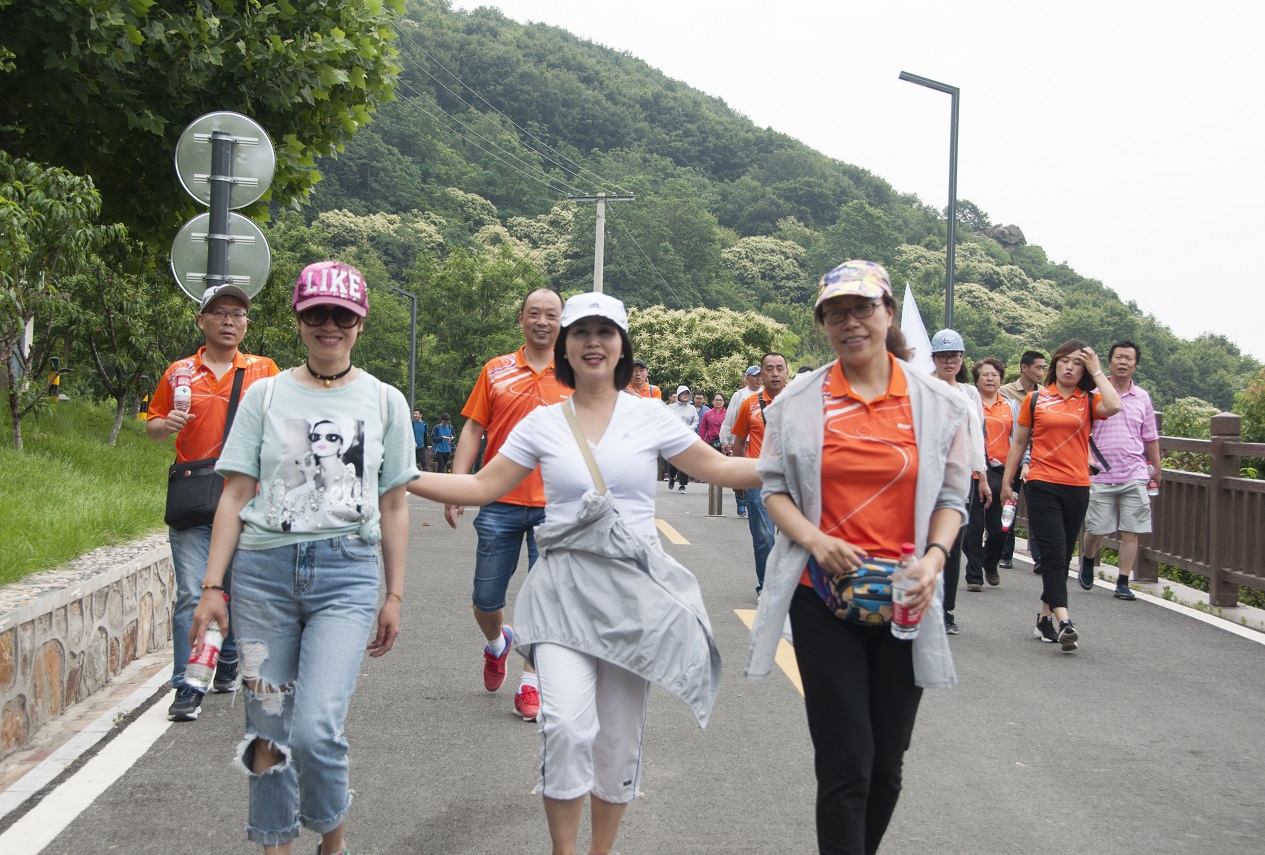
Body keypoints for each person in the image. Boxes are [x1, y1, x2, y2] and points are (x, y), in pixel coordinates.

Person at [408, 292, 760, 855]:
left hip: (631, 599)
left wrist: (799, 463)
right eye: (581, 333)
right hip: (563, 592)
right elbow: (481, 485)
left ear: (621, 346)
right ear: (566, 347)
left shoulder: (650, 415)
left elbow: (718, 466)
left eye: (605, 333)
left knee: (618, 740)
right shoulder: (544, 424)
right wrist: (400, 476)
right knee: (567, 729)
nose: (593, 343)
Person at [191, 260, 417, 854]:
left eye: (342, 315)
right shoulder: (264, 395)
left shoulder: (385, 401)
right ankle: (276, 844)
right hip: (263, 577)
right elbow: (235, 495)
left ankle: (332, 843)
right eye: (317, 313)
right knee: (267, 728)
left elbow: (394, 504)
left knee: (317, 728)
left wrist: (394, 594)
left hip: (347, 576)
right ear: (298, 319)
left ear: (361, 323)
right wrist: (211, 589)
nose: (329, 325)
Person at [743, 260, 967, 855]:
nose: (851, 322)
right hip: (822, 598)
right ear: (823, 324)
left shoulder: (937, 403)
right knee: (846, 761)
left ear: (887, 313)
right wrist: (816, 541)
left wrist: (934, 560)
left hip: (905, 600)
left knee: (886, 765)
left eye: (863, 308)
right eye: (836, 313)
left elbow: (952, 499)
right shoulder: (798, 400)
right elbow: (774, 489)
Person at [146, 283, 279, 723]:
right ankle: (187, 683)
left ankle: (227, 657)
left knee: (239, 591)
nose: (229, 321)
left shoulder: (263, 370)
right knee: (193, 590)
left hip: (247, 499)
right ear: (201, 320)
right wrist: (166, 424)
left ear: (246, 324)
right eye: (220, 313)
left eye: (237, 314)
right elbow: (153, 425)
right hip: (194, 496)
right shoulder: (179, 372)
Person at [444, 287, 569, 721]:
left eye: (551, 314)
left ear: (561, 322)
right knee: (485, 599)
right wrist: (458, 484)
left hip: (556, 506)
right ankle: (497, 644)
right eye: (534, 313)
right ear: (521, 319)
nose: (542, 321)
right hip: (498, 500)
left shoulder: (576, 373)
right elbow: (473, 429)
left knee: (546, 597)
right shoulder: (496, 370)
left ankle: (531, 682)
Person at [1001, 339, 1121, 652]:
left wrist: (1097, 371)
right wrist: (1007, 482)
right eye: (1065, 360)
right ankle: (1065, 621)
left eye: (1078, 363)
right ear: (1055, 364)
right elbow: (1018, 443)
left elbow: (1114, 405)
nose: (1070, 367)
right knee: (1054, 554)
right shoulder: (1036, 399)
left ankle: (1043, 618)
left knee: (1063, 555)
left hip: (1077, 486)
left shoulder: (1089, 400)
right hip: (1042, 484)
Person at [1079, 340, 1161, 600]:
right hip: (1100, 474)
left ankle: (1123, 581)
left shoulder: (1142, 397)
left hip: (1134, 472)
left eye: (1128, 358)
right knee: (1096, 529)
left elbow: (1150, 436)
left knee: (1131, 530)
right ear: (1109, 361)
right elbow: (1081, 431)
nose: (1123, 362)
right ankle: (1088, 559)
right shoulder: (1094, 393)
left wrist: (1157, 466)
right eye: (1119, 357)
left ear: (1135, 365)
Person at [928, 329, 989, 634]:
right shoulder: (923, 389)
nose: (949, 361)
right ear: (934, 359)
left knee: (951, 547)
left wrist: (983, 477)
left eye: (954, 356)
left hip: (959, 479)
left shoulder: (970, 394)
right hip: (926, 479)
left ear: (962, 358)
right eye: (942, 356)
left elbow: (977, 436)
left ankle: (946, 610)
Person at [731, 352, 790, 596]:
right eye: (769, 369)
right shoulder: (749, 404)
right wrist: (737, 478)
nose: (775, 373)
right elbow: (738, 442)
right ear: (760, 376)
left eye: (779, 368)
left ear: (787, 373)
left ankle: (790, 587)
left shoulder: (801, 402)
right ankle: (767, 588)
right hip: (759, 479)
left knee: (793, 539)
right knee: (764, 537)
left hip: (793, 481)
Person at [963, 357, 1019, 592]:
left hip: (1002, 475)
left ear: (1001, 379)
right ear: (976, 379)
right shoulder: (969, 404)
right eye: (984, 374)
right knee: (973, 528)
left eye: (994, 374)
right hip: (972, 473)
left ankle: (989, 561)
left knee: (1000, 529)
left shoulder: (1011, 406)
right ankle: (974, 576)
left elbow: (1019, 440)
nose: (989, 378)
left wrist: (1021, 467)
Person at [998, 350, 1047, 569]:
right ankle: (1005, 553)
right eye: (1038, 367)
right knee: (1009, 502)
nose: (1041, 372)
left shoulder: (1045, 394)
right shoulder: (1005, 392)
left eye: (1044, 368)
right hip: (1014, 453)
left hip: (1039, 455)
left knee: (1038, 506)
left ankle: (1040, 557)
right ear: (1024, 367)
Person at [721, 365, 763, 518]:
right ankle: (741, 502)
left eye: (761, 376)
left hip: (759, 441)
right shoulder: (739, 395)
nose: (759, 379)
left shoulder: (767, 394)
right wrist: (725, 440)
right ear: (747, 378)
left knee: (755, 474)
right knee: (742, 473)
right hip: (741, 440)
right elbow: (729, 418)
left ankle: (753, 504)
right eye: (755, 376)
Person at [666, 385, 698, 492]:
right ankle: (672, 477)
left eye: (687, 393)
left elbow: (696, 421)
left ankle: (683, 484)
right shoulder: (671, 407)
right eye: (683, 393)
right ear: (678, 394)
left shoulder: (692, 408)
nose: (685, 395)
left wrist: (690, 428)